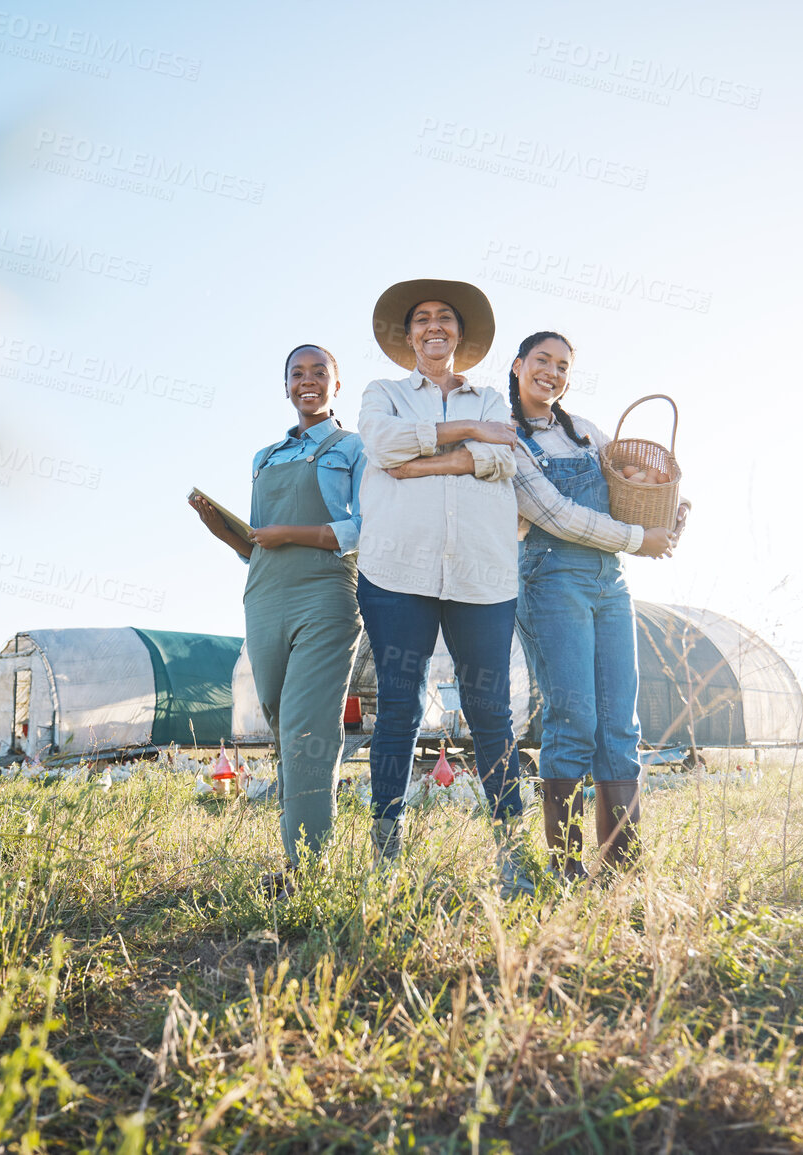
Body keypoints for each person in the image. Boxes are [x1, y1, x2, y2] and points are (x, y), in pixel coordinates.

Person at [354, 278, 538, 898]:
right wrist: (466, 441)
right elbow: (380, 446)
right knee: (398, 707)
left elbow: (505, 457)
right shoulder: (382, 393)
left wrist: (437, 460)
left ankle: (512, 858)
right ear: (408, 336)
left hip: (482, 573)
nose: (435, 327)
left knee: (490, 712)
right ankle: (386, 857)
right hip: (397, 571)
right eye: (422, 319)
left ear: (461, 334)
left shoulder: (490, 399)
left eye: (446, 319)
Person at [507, 331, 688, 880]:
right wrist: (638, 538)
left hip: (610, 582)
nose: (553, 372)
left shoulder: (587, 433)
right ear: (518, 366)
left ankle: (619, 868)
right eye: (542, 361)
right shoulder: (505, 437)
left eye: (563, 365)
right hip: (550, 578)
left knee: (619, 723)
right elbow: (555, 514)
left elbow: (628, 489)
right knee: (575, 717)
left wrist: (667, 515)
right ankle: (565, 866)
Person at [189, 344, 365, 891]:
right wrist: (226, 531)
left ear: (337, 385)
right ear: (285, 386)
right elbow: (258, 542)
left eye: (320, 373)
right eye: (297, 374)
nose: (307, 381)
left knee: (308, 726)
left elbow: (368, 527)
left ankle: (308, 869)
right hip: (264, 593)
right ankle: (298, 852)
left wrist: (293, 534)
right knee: (281, 723)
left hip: (326, 592)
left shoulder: (355, 449)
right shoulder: (264, 457)